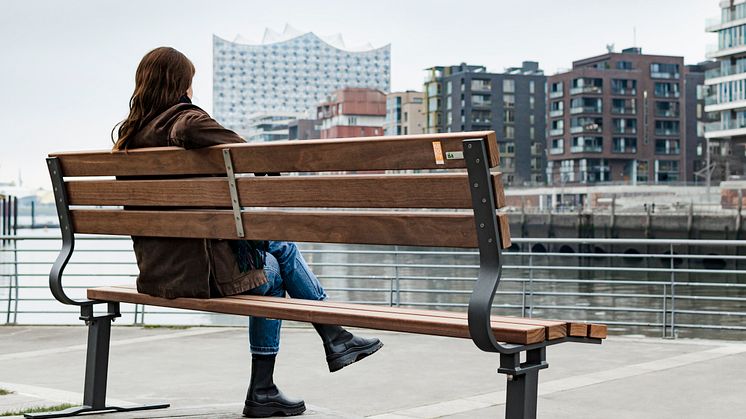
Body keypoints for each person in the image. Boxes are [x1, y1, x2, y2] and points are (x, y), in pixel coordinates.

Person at [112, 46, 383, 418]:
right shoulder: (188, 122)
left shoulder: (130, 137)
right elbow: (253, 158)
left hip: (157, 273)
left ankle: (312, 356)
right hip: (202, 275)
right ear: (182, 84)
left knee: (276, 255)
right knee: (278, 262)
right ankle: (326, 341)